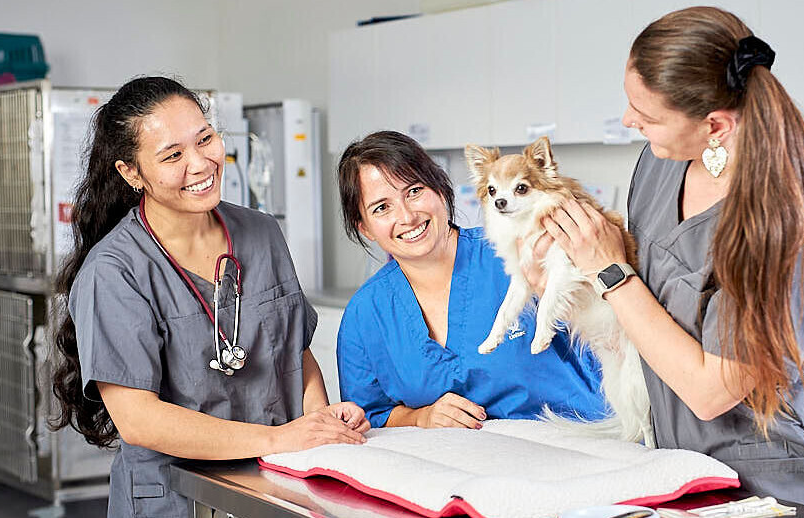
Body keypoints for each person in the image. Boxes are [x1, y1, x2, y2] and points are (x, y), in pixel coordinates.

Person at [531, 8, 804, 517]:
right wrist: (566, 269)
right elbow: (641, 304)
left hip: (775, 487)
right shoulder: (658, 164)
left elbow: (709, 391)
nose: (630, 121)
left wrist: (607, 270)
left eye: (645, 115)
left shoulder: (793, 227)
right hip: (682, 471)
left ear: (714, 125)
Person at [49, 76, 370, 518]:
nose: (200, 164)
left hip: (275, 486)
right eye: (173, 155)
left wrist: (322, 425)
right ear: (131, 173)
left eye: (205, 139)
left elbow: (296, 352)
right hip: (176, 498)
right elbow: (139, 419)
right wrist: (282, 438)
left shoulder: (261, 233)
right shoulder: (115, 271)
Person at [335, 131, 608, 429]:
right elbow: (367, 415)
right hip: (461, 467)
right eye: (382, 208)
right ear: (365, 228)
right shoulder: (366, 313)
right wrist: (420, 416)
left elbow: (613, 331)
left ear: (440, 189)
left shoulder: (525, 253)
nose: (407, 216)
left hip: (582, 445)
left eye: (414, 191)